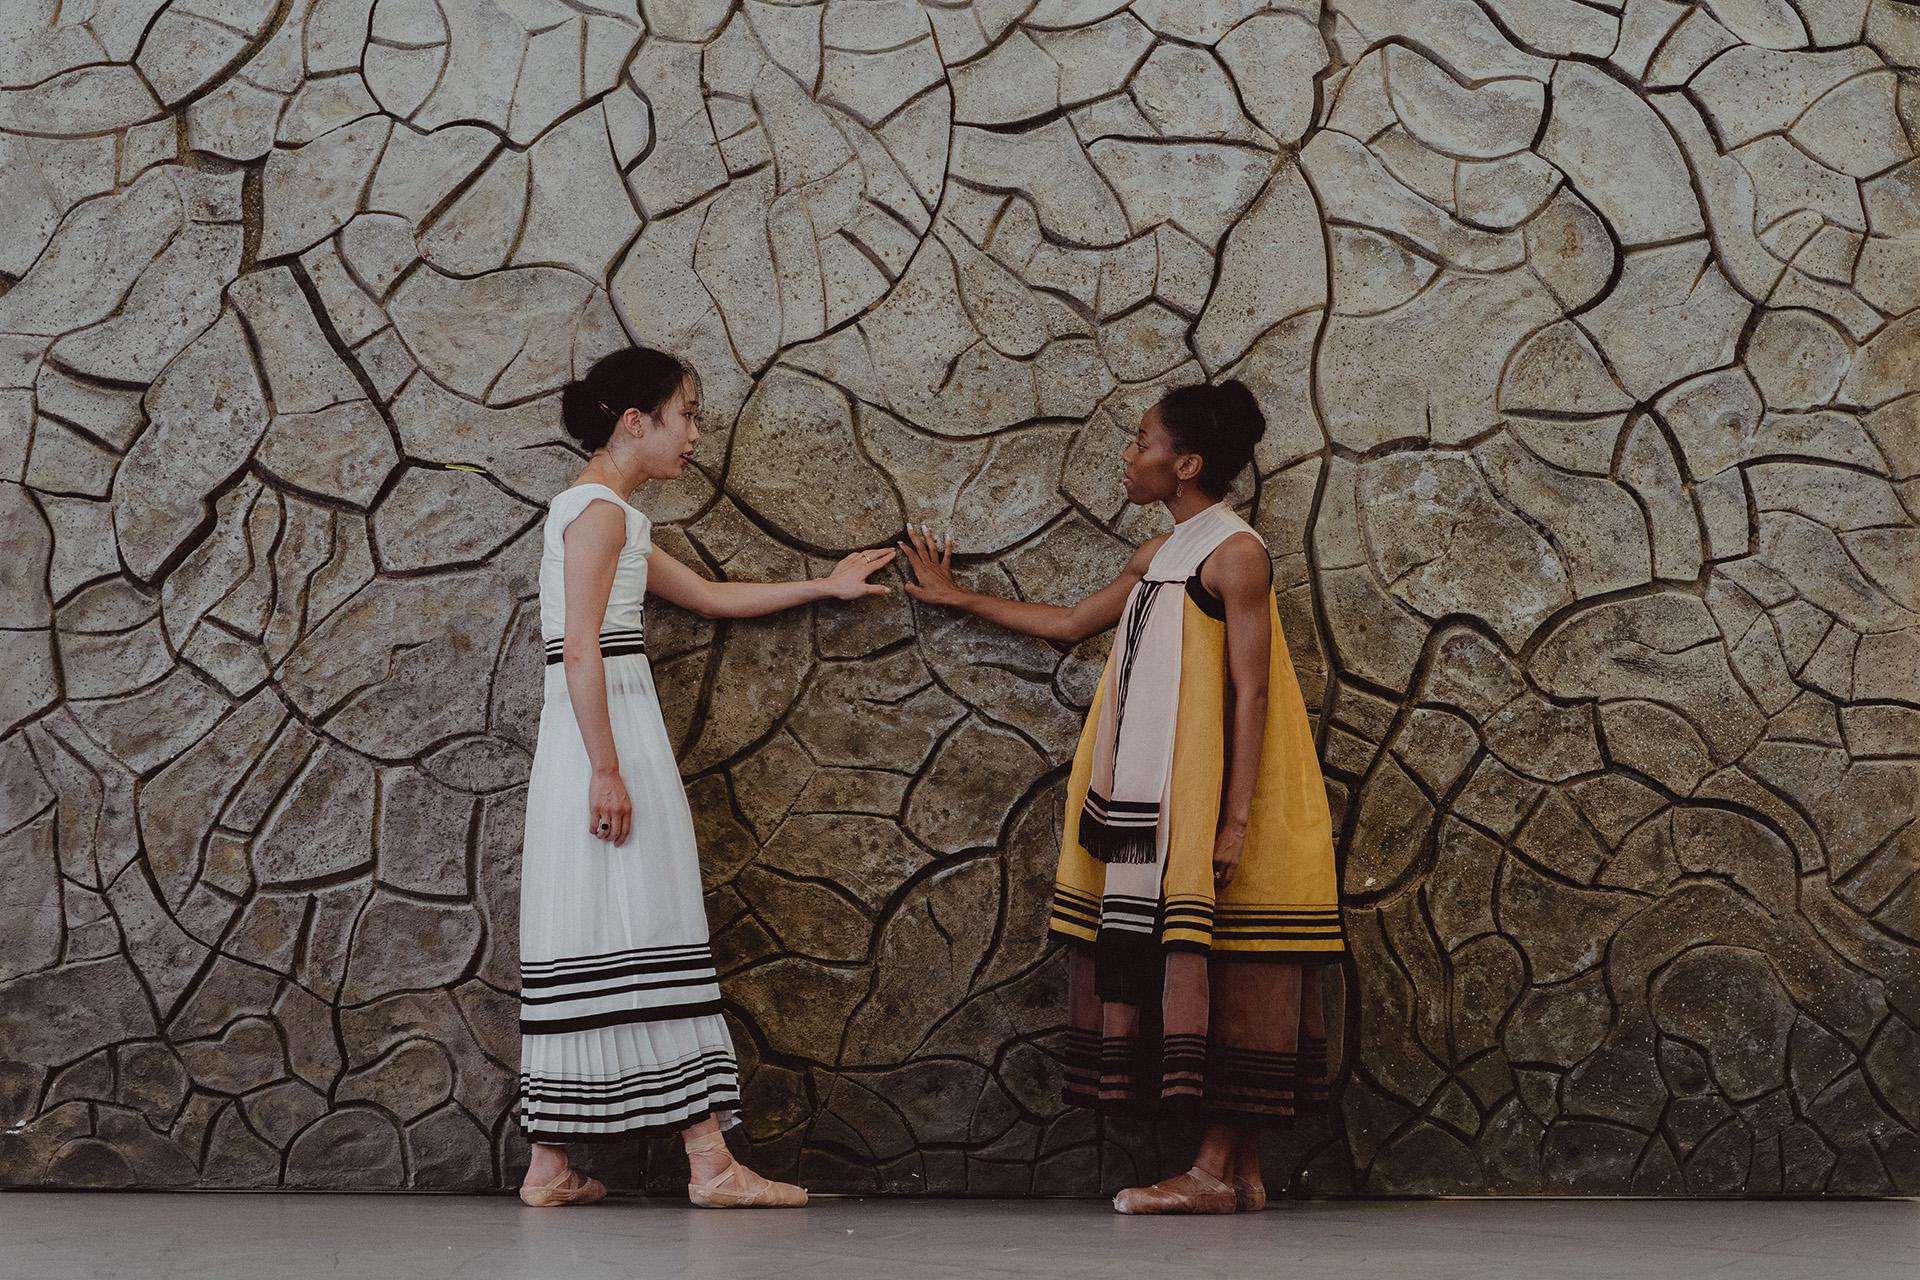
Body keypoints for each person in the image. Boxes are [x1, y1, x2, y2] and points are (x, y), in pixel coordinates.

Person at [897, 381, 1345, 1214]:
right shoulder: (1159, 554)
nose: (1128, 455)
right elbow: (1071, 623)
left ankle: (1215, 1171)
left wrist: (1235, 819)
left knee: (1241, 969)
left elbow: (1252, 694)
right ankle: (1234, 1174)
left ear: (1188, 463)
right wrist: (957, 598)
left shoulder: (1235, 554)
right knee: (1212, 966)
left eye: (1141, 441)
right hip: (1165, 806)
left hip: (1216, 803)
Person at [517, 346, 895, 1209]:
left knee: (596, 929)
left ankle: (551, 1165)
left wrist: (824, 586)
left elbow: (716, 599)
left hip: (599, 733)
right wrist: (608, 772)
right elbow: (578, 647)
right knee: (647, 920)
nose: (695, 433)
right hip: (602, 737)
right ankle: (710, 1164)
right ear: (633, 421)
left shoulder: (609, 514)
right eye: (685, 414)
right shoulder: (598, 514)